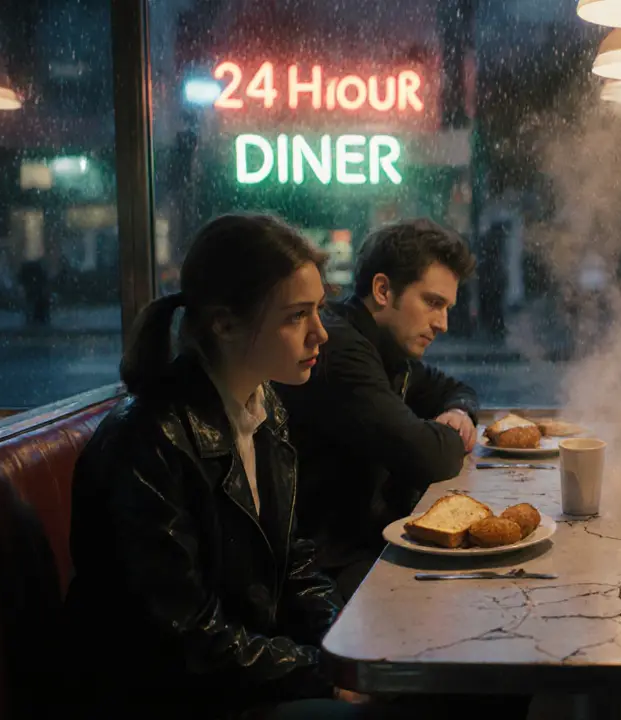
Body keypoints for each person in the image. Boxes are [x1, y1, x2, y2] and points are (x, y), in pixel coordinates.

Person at [63, 214, 371, 718]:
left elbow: (292, 562)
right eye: (296, 316)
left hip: (240, 675)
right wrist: (323, 672)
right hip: (173, 698)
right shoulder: (149, 440)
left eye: (319, 310)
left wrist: (342, 645)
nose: (321, 334)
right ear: (225, 324)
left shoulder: (260, 403)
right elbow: (184, 636)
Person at [275, 218, 478, 599]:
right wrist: (450, 435)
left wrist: (460, 412)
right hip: (325, 570)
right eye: (433, 303)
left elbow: (455, 389)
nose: (443, 324)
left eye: (448, 308)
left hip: (358, 547)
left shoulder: (388, 349)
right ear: (383, 290)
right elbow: (426, 456)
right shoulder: (340, 349)